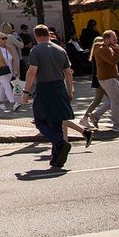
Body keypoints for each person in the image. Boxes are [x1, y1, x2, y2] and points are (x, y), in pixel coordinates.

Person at [22, 25, 91, 169]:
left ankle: (60, 143)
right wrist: (70, 91)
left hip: (44, 88)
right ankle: (56, 158)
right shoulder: (61, 50)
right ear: (48, 34)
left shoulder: (36, 50)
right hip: (59, 87)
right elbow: (68, 72)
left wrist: (26, 92)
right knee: (57, 122)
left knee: (40, 121)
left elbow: (32, 72)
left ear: (36, 36)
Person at [84, 31, 119, 131]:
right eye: (114, 38)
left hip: (109, 78)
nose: (116, 40)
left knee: (112, 100)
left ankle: (95, 115)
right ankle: (116, 124)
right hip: (107, 78)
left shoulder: (107, 48)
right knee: (115, 101)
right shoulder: (102, 49)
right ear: (106, 39)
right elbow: (112, 61)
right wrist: (118, 52)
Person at [0, 32, 21, 112]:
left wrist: (16, 70)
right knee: (7, 86)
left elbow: (14, 59)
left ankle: (0, 103)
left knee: (3, 87)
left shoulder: (8, 48)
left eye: (6, 38)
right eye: (3, 38)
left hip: (9, 71)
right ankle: (14, 103)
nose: (5, 40)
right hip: (0, 71)